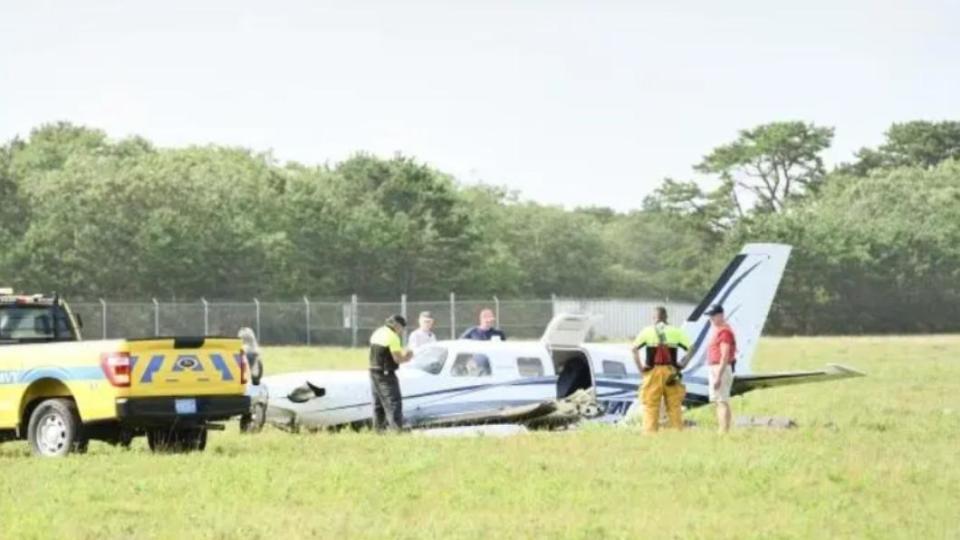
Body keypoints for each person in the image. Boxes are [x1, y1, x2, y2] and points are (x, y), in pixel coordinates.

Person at [630, 306, 692, 433]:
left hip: (653, 372)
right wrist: (682, 364)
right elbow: (691, 348)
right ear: (666, 317)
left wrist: (641, 368)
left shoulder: (647, 331)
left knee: (651, 405)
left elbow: (634, 349)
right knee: (674, 406)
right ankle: (677, 434)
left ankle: (650, 434)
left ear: (654, 318)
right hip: (671, 373)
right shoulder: (676, 331)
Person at [368, 315, 413, 432]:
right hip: (386, 373)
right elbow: (397, 359)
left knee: (378, 404)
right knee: (393, 403)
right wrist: (408, 356)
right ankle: (397, 431)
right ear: (397, 326)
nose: (402, 331)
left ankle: (378, 430)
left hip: (373, 371)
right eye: (402, 328)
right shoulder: (392, 337)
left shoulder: (378, 332)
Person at [705, 304, 737, 434]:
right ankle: (723, 430)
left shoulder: (724, 332)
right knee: (720, 401)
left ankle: (722, 431)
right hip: (718, 368)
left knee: (721, 401)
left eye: (713, 316)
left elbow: (725, 355)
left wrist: (718, 375)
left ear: (721, 315)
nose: (711, 319)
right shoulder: (720, 330)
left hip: (720, 368)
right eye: (710, 316)